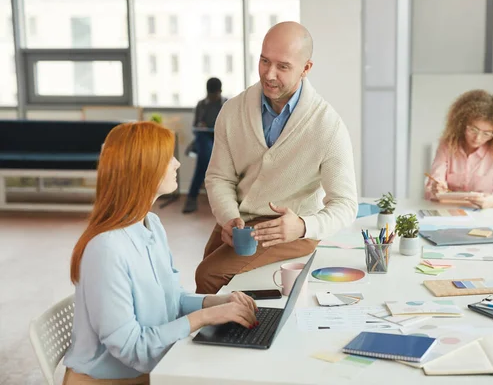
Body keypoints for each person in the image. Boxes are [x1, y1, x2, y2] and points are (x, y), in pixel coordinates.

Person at [63, 122, 257, 384]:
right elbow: (133, 350)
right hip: (110, 380)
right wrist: (206, 318)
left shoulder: (151, 225)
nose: (177, 163)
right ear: (143, 169)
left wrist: (214, 302)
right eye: (168, 158)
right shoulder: (106, 249)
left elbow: (172, 300)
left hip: (154, 368)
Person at [194, 22, 358, 294]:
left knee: (209, 275)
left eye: (283, 66)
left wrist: (304, 226)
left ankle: (231, 334)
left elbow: (345, 204)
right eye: (264, 61)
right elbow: (219, 177)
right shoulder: (232, 110)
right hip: (241, 220)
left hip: (291, 229)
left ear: (306, 68)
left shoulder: (328, 126)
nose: (269, 74)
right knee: (209, 272)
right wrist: (228, 217)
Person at [425, 89, 493, 208]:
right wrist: (436, 189)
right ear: (461, 125)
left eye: (486, 133)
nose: (477, 138)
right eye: (473, 130)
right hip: (448, 210)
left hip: (484, 214)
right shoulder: (447, 146)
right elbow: (432, 187)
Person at [182, 77, 227, 214]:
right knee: (204, 154)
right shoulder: (201, 105)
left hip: (222, 138)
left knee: (205, 158)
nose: (213, 98)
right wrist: (200, 125)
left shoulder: (226, 104)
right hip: (204, 137)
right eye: (210, 95)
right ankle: (192, 197)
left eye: (215, 95)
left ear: (220, 91)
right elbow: (195, 128)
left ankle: (192, 197)